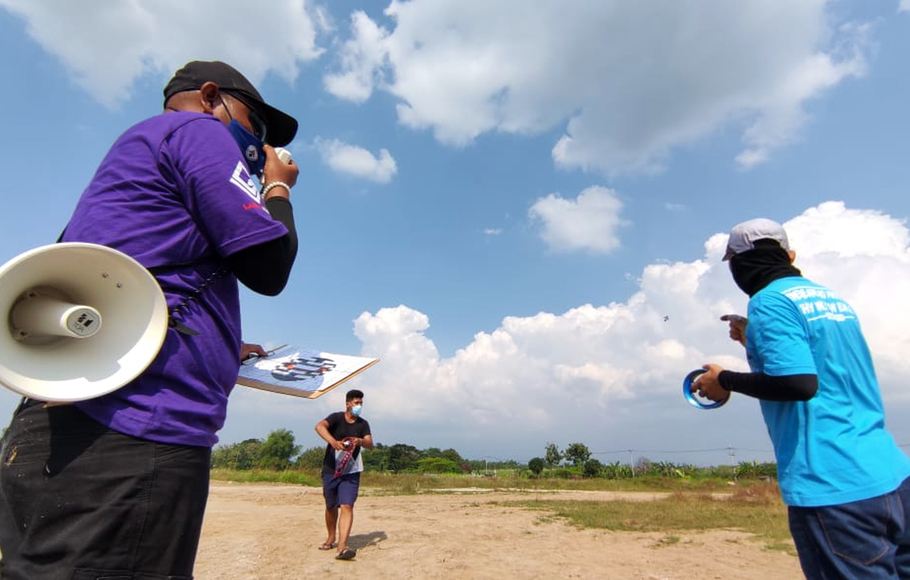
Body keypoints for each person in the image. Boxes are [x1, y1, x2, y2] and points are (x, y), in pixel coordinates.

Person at [0, 60, 300, 579]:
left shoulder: (132, 159)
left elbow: (147, 280)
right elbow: (269, 267)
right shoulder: (198, 131)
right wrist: (278, 187)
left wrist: (226, 346)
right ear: (210, 98)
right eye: (256, 125)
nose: (261, 143)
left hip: (53, 422)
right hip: (137, 432)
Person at [695, 218, 910, 579]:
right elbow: (825, 370)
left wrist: (725, 380)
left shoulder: (768, 302)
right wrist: (755, 341)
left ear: (734, 262)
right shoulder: (831, 299)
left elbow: (799, 385)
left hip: (834, 485)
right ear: (790, 255)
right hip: (893, 476)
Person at [315, 389, 373, 561]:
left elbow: (370, 443)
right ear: (347, 403)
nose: (359, 406)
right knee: (331, 506)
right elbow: (319, 426)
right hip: (331, 469)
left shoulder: (363, 424)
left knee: (347, 506)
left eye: (361, 403)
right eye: (356, 403)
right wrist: (333, 442)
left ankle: (341, 547)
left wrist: (361, 441)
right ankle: (331, 537)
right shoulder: (336, 418)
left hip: (351, 471)